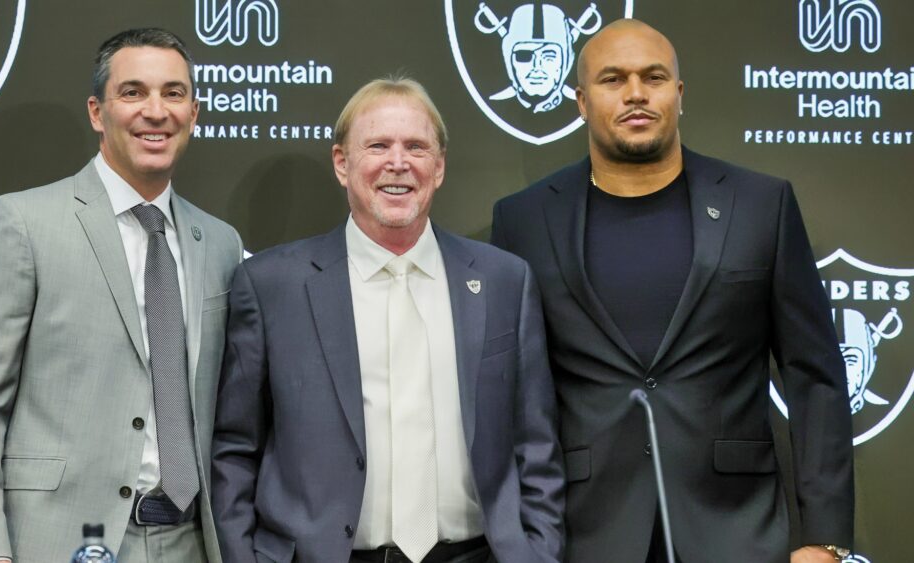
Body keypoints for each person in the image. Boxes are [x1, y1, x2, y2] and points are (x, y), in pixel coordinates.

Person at [491, 19, 854, 563]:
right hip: (583, 534)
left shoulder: (760, 206)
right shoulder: (523, 218)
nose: (636, 93)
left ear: (678, 94)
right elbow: (510, 393)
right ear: (581, 102)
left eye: (653, 77)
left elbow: (816, 375)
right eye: (613, 79)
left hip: (737, 529)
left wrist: (825, 540)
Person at [211, 77, 564, 563]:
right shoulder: (272, 285)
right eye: (378, 145)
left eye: (416, 147)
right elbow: (235, 447)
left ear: (438, 168)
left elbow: (536, 444)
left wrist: (537, 553)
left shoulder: (504, 280)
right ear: (342, 163)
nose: (398, 163)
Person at [0, 28, 242, 563]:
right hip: (60, 540)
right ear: (97, 112)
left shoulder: (220, 243)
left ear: (194, 113)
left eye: (173, 93)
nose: (156, 110)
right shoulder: (23, 224)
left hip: (193, 542)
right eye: (132, 93)